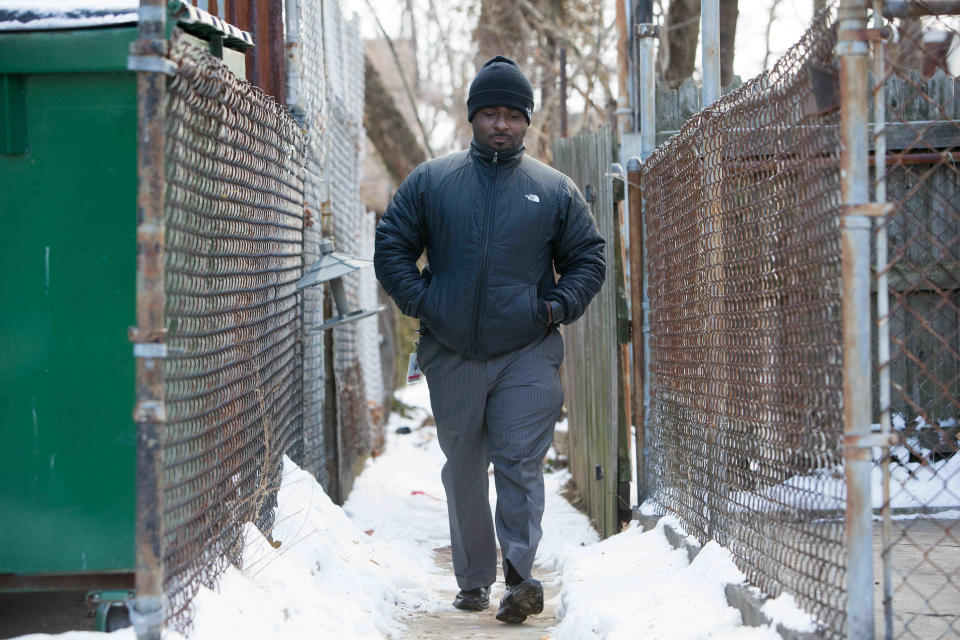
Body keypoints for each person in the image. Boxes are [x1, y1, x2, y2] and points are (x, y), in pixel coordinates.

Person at [373, 55, 605, 624]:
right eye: (490, 113)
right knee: (464, 467)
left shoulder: (553, 190)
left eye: (512, 114)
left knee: (520, 462)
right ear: (473, 117)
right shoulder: (433, 181)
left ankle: (522, 577)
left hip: (526, 348)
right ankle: (474, 579)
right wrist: (424, 303)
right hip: (451, 352)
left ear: (526, 122)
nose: (501, 124)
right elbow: (392, 246)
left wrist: (553, 305)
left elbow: (588, 258)